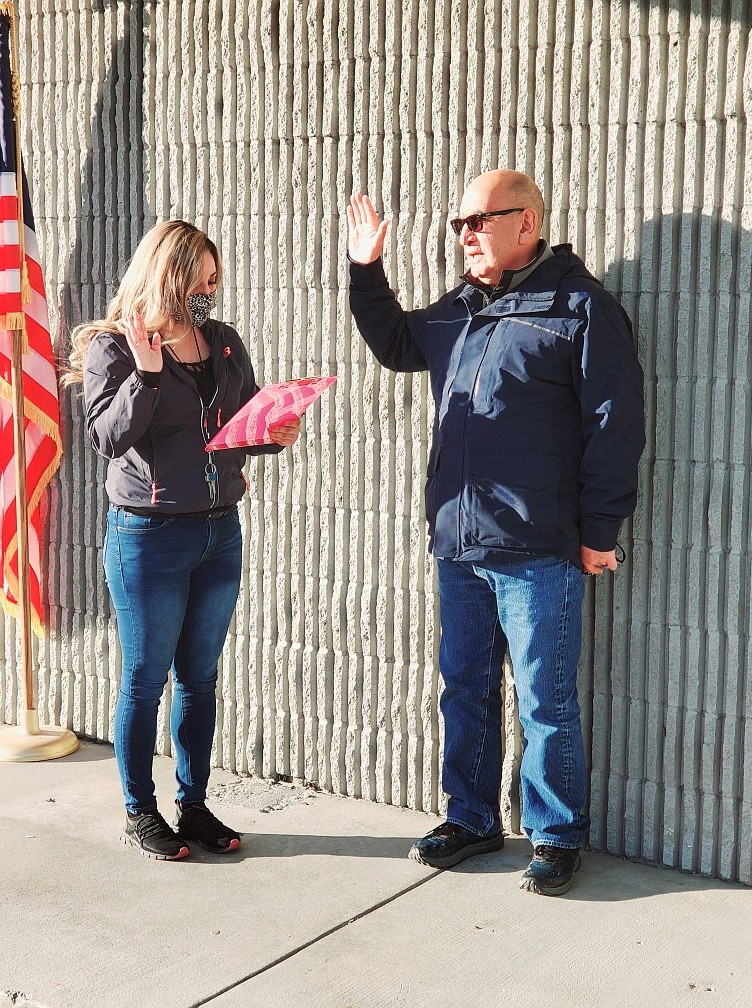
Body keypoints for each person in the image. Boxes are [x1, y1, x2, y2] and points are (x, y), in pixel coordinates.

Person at [347, 170, 645, 895]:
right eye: (458, 224)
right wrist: (365, 269)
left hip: (540, 546)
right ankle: (472, 818)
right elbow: (395, 342)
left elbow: (616, 425)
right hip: (459, 542)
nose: (465, 234)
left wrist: (599, 528)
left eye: (480, 219)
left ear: (528, 224)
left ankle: (555, 834)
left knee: (545, 698)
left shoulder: (579, 310)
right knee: (466, 687)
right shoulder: (462, 308)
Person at [64, 220, 300, 860]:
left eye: (216, 279)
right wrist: (145, 373)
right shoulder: (113, 347)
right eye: (203, 279)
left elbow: (243, 421)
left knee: (199, 676)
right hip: (148, 536)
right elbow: (108, 439)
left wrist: (273, 432)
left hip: (220, 532)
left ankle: (192, 805)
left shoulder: (221, 343)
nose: (212, 291)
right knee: (145, 678)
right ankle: (141, 812)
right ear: (170, 274)